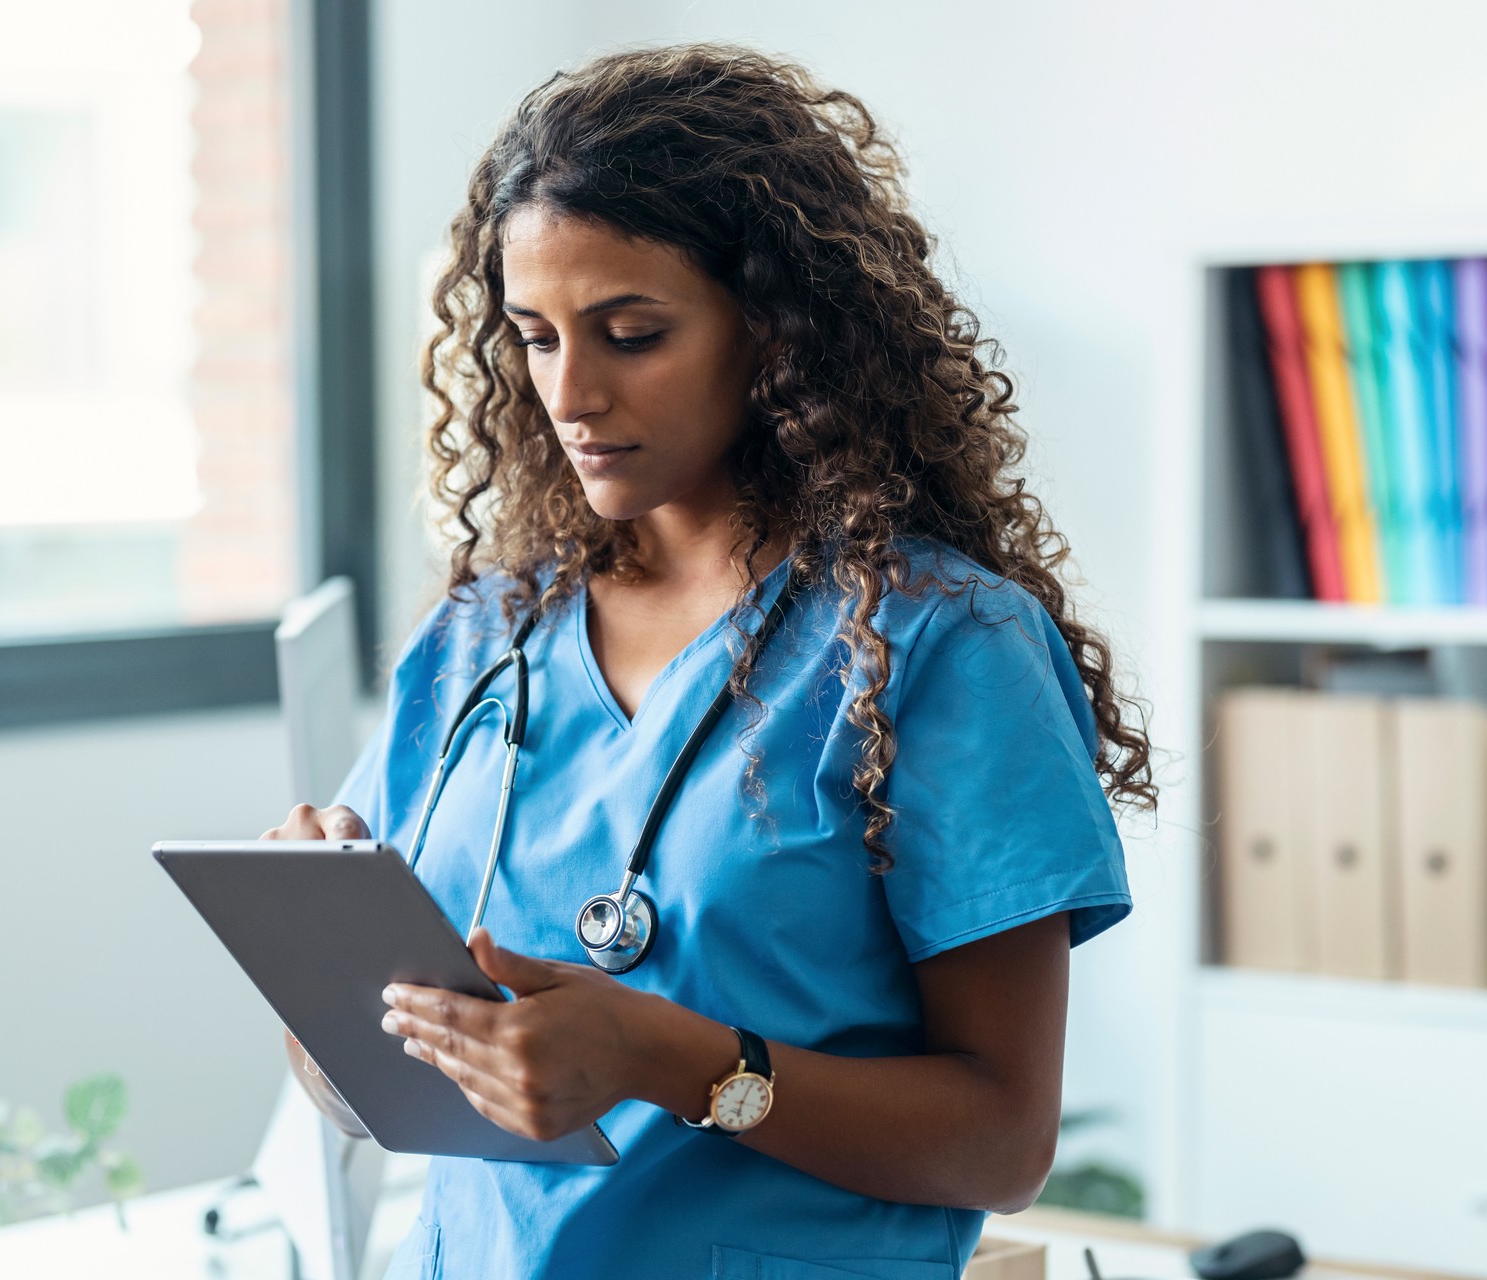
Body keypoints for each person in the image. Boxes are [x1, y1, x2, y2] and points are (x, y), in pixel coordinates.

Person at [263, 41, 1155, 1279]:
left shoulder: (943, 646)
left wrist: (666, 1056)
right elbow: (366, 1094)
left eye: (631, 332)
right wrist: (318, 959)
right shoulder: (482, 635)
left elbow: (1001, 1142)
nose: (569, 391)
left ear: (774, 331)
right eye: (534, 335)